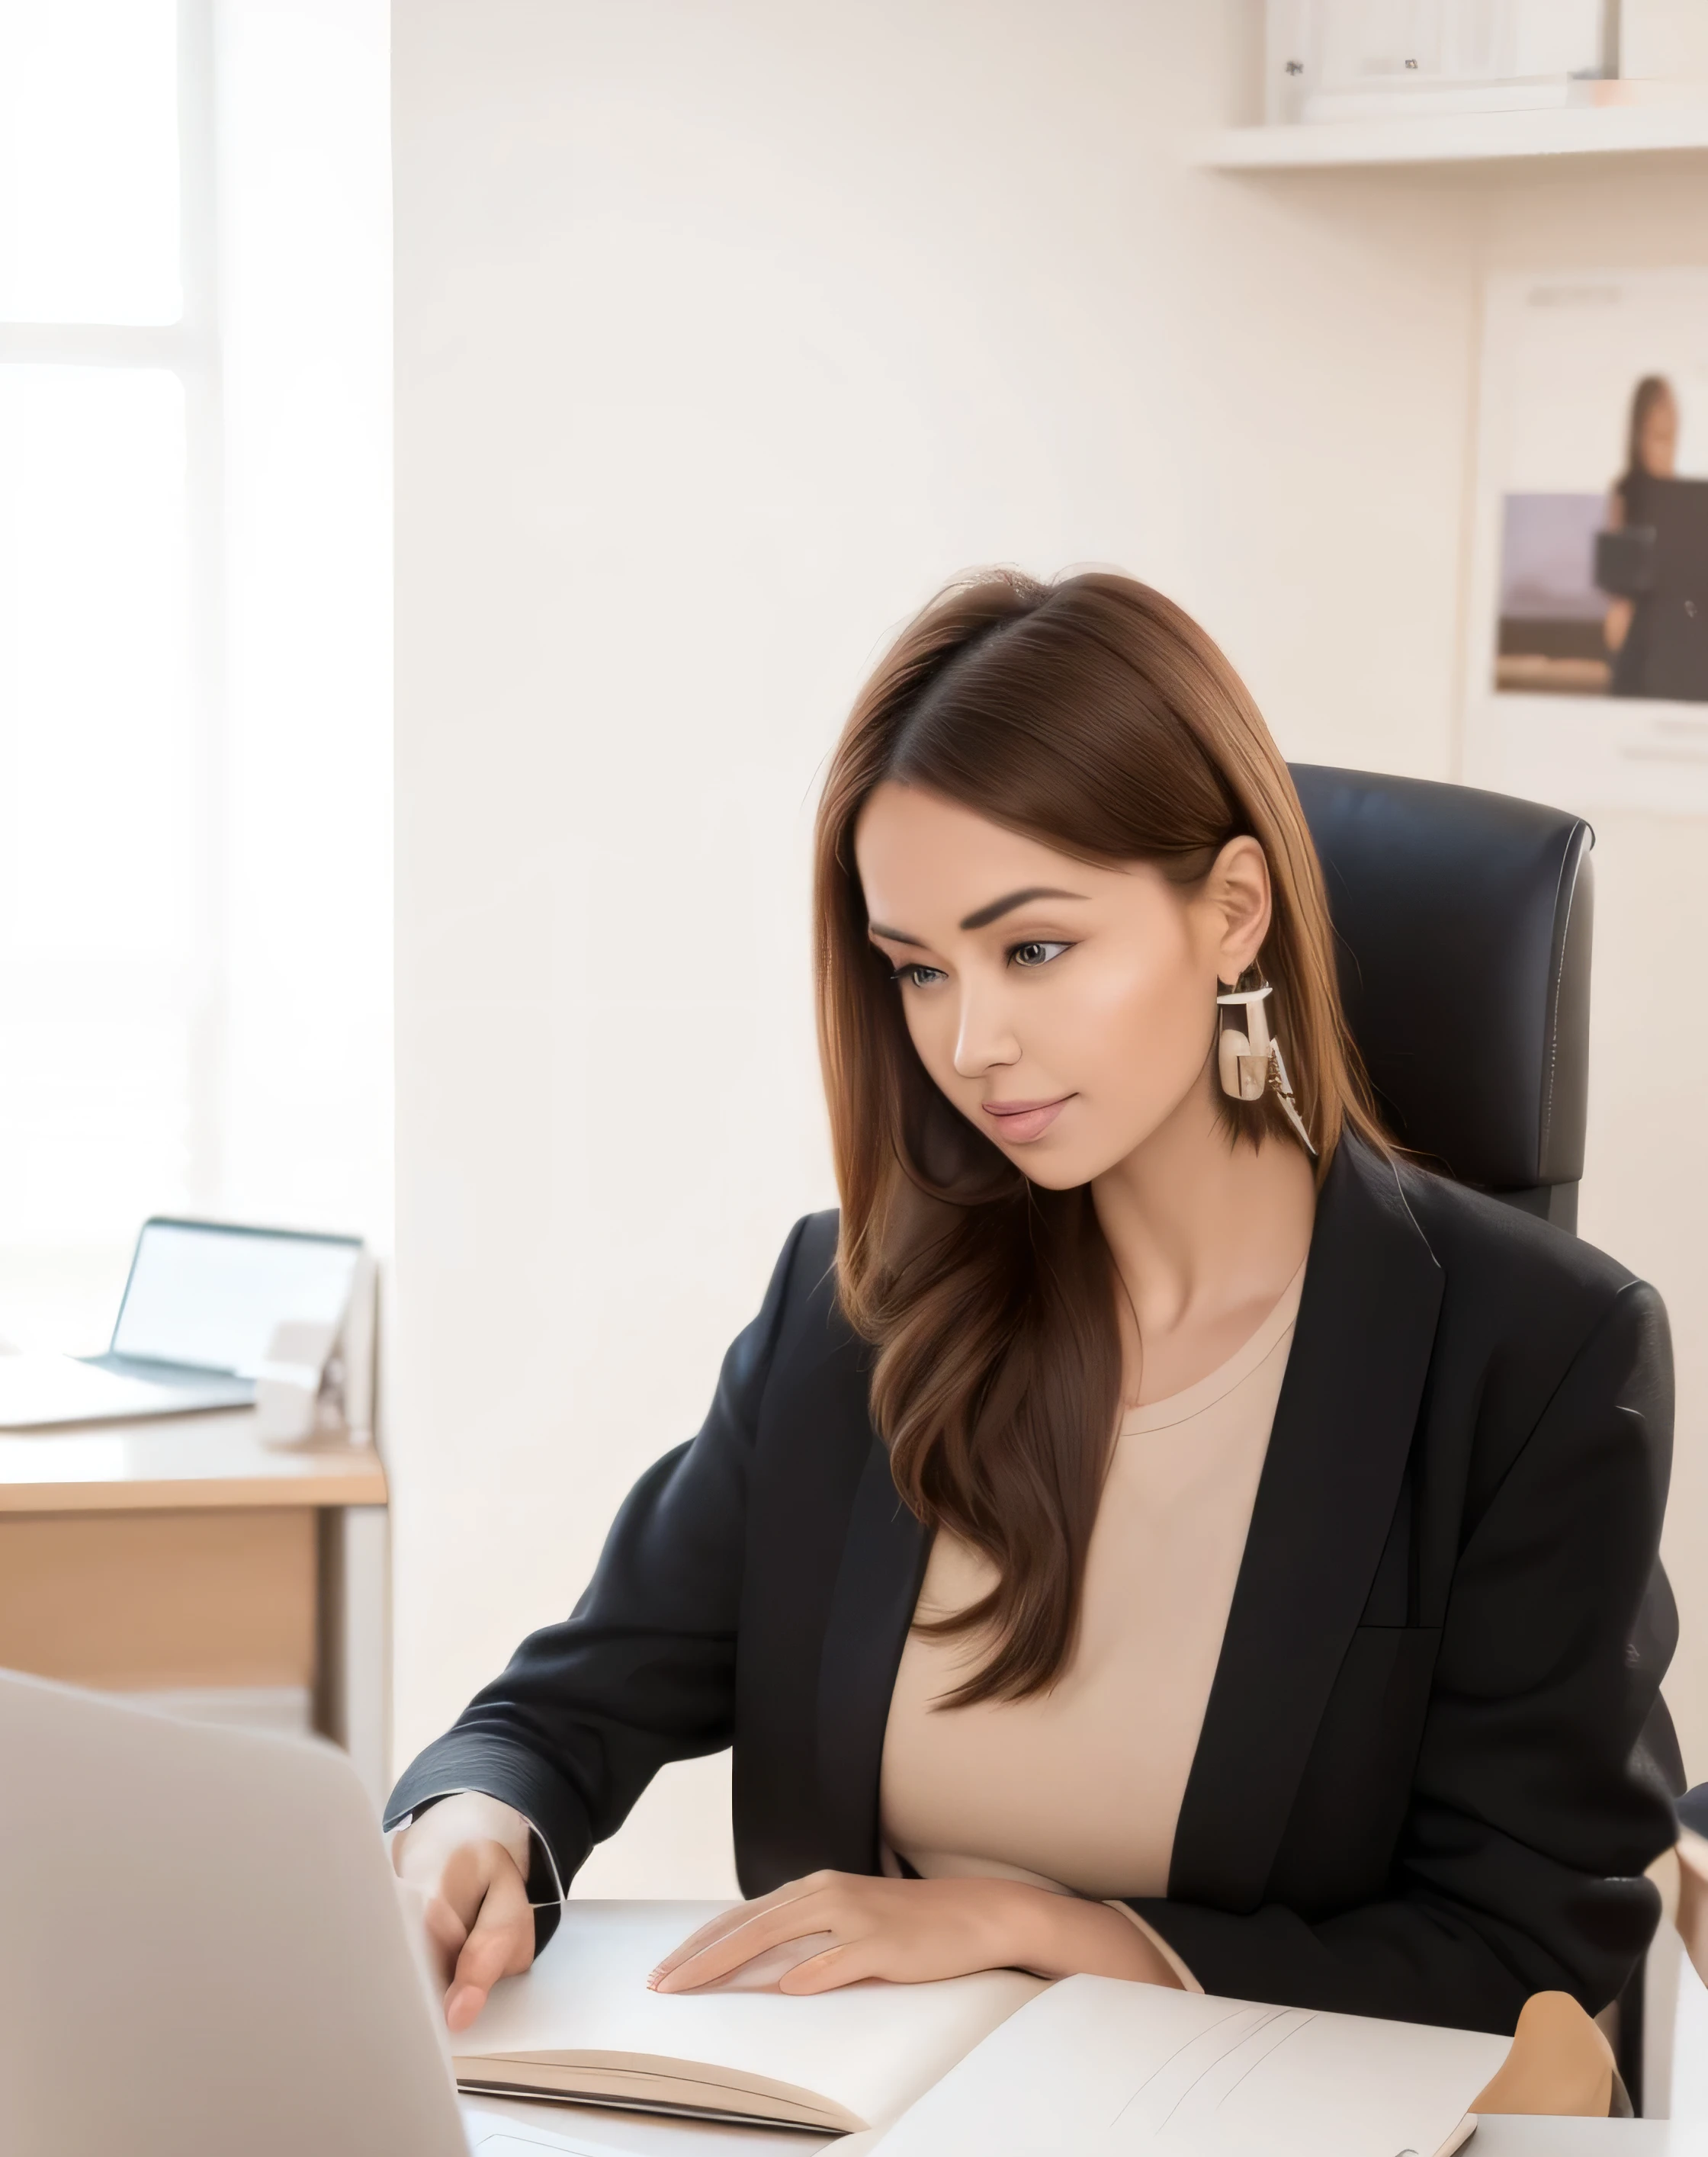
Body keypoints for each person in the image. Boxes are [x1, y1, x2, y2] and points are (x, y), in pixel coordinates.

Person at [389, 570, 1680, 2044]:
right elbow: (568, 1705)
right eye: (919, 970)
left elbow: (1524, 1945)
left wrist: (1032, 1932)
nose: (970, 1041)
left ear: (1234, 914)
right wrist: (468, 1824)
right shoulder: (857, 1307)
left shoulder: (1535, 1357)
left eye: (1036, 950)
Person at [1604, 374, 1678, 688]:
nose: (1666, 452)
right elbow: (1619, 597)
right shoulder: (1626, 492)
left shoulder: (1682, 499)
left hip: (1673, 635)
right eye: (1657, 437)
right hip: (1638, 637)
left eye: (1670, 439)